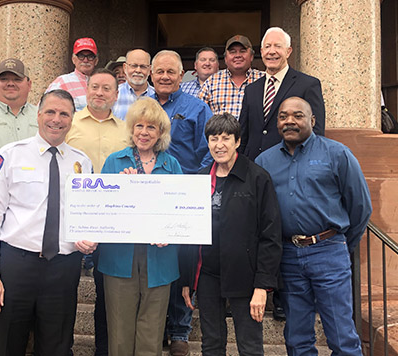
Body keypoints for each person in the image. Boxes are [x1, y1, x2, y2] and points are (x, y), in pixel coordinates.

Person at [0, 89, 96, 356]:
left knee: (57, 346)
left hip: (63, 268)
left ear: (72, 119)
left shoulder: (81, 163)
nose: (57, 119)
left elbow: (86, 213)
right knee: (7, 344)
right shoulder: (11, 155)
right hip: (16, 266)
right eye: (50, 112)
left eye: (64, 114)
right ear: (39, 115)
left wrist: (88, 236)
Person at [255, 97, 372, 356]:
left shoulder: (337, 153)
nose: (290, 121)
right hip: (288, 256)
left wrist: (338, 243)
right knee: (297, 338)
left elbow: (360, 206)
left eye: (298, 116)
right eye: (283, 116)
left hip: (328, 252)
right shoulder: (265, 161)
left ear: (313, 120)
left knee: (341, 336)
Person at [180, 113, 282, 356]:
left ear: (237, 141)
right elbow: (188, 234)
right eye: (214, 139)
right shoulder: (201, 178)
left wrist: (262, 286)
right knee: (211, 343)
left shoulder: (257, 178)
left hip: (245, 277)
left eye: (226, 138)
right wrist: (186, 280)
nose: (219, 145)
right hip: (207, 276)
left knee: (249, 346)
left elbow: (271, 235)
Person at [98, 97, 183, 356]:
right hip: (119, 256)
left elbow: (180, 211)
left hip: (160, 256)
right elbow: (100, 208)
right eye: (139, 126)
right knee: (120, 330)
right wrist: (120, 189)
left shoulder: (172, 165)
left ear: (160, 133)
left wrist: (170, 231)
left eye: (151, 128)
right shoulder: (115, 162)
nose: (144, 133)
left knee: (152, 328)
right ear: (131, 129)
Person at [150, 49, 212, 355]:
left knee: (182, 264)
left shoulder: (197, 108)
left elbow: (208, 150)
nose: (164, 77)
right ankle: (155, 327)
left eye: (170, 72)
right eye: (159, 71)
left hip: (183, 197)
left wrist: (192, 190)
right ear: (151, 74)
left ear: (181, 75)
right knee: (155, 262)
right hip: (147, 198)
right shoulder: (141, 108)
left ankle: (179, 330)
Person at [65, 68, 128, 356]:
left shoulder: (126, 130)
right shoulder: (68, 124)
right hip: (71, 216)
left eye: (106, 89)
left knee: (106, 293)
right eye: (95, 87)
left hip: (111, 221)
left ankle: (103, 350)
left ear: (116, 95)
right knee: (64, 290)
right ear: (86, 90)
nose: (100, 93)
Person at [240, 27, 326, 161]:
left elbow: (317, 132)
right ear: (262, 52)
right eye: (267, 46)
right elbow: (243, 134)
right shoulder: (251, 89)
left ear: (288, 51)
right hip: (253, 167)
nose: (272, 51)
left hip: (290, 164)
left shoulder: (308, 85)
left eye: (278, 46)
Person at [199, 35, 264, 118]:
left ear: (251, 56)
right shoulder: (211, 82)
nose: (237, 55)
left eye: (242, 51)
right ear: (225, 58)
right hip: (219, 131)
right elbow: (198, 114)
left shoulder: (263, 79)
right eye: (232, 52)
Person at [46, 37, 99, 111]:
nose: (85, 60)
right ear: (73, 59)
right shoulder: (62, 82)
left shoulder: (102, 82)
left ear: (96, 61)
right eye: (81, 56)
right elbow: (44, 109)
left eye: (90, 56)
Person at [113, 49, 155, 120]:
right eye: (134, 66)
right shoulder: (113, 95)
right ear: (125, 68)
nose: (138, 70)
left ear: (149, 70)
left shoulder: (158, 96)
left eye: (143, 66)